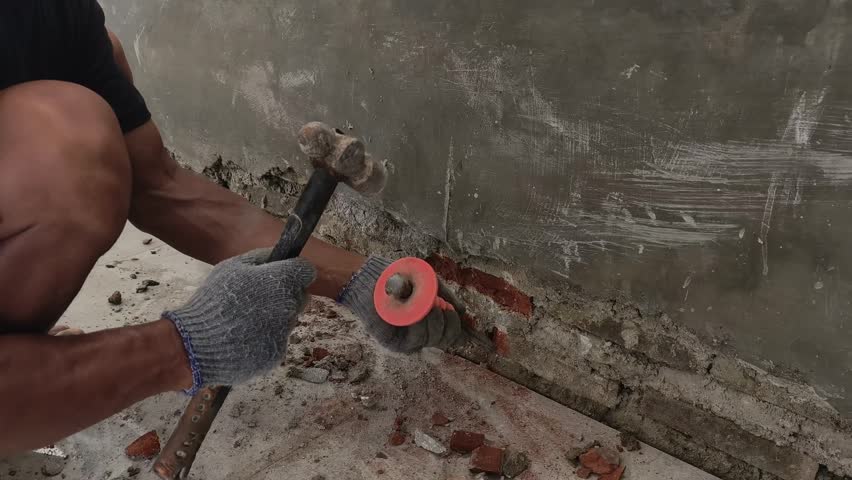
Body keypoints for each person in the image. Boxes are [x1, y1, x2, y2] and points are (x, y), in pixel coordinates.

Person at [0, 0, 466, 455]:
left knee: (74, 134)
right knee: (63, 140)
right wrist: (183, 347)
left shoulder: (52, 16)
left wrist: (360, 282)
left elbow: (159, 188)